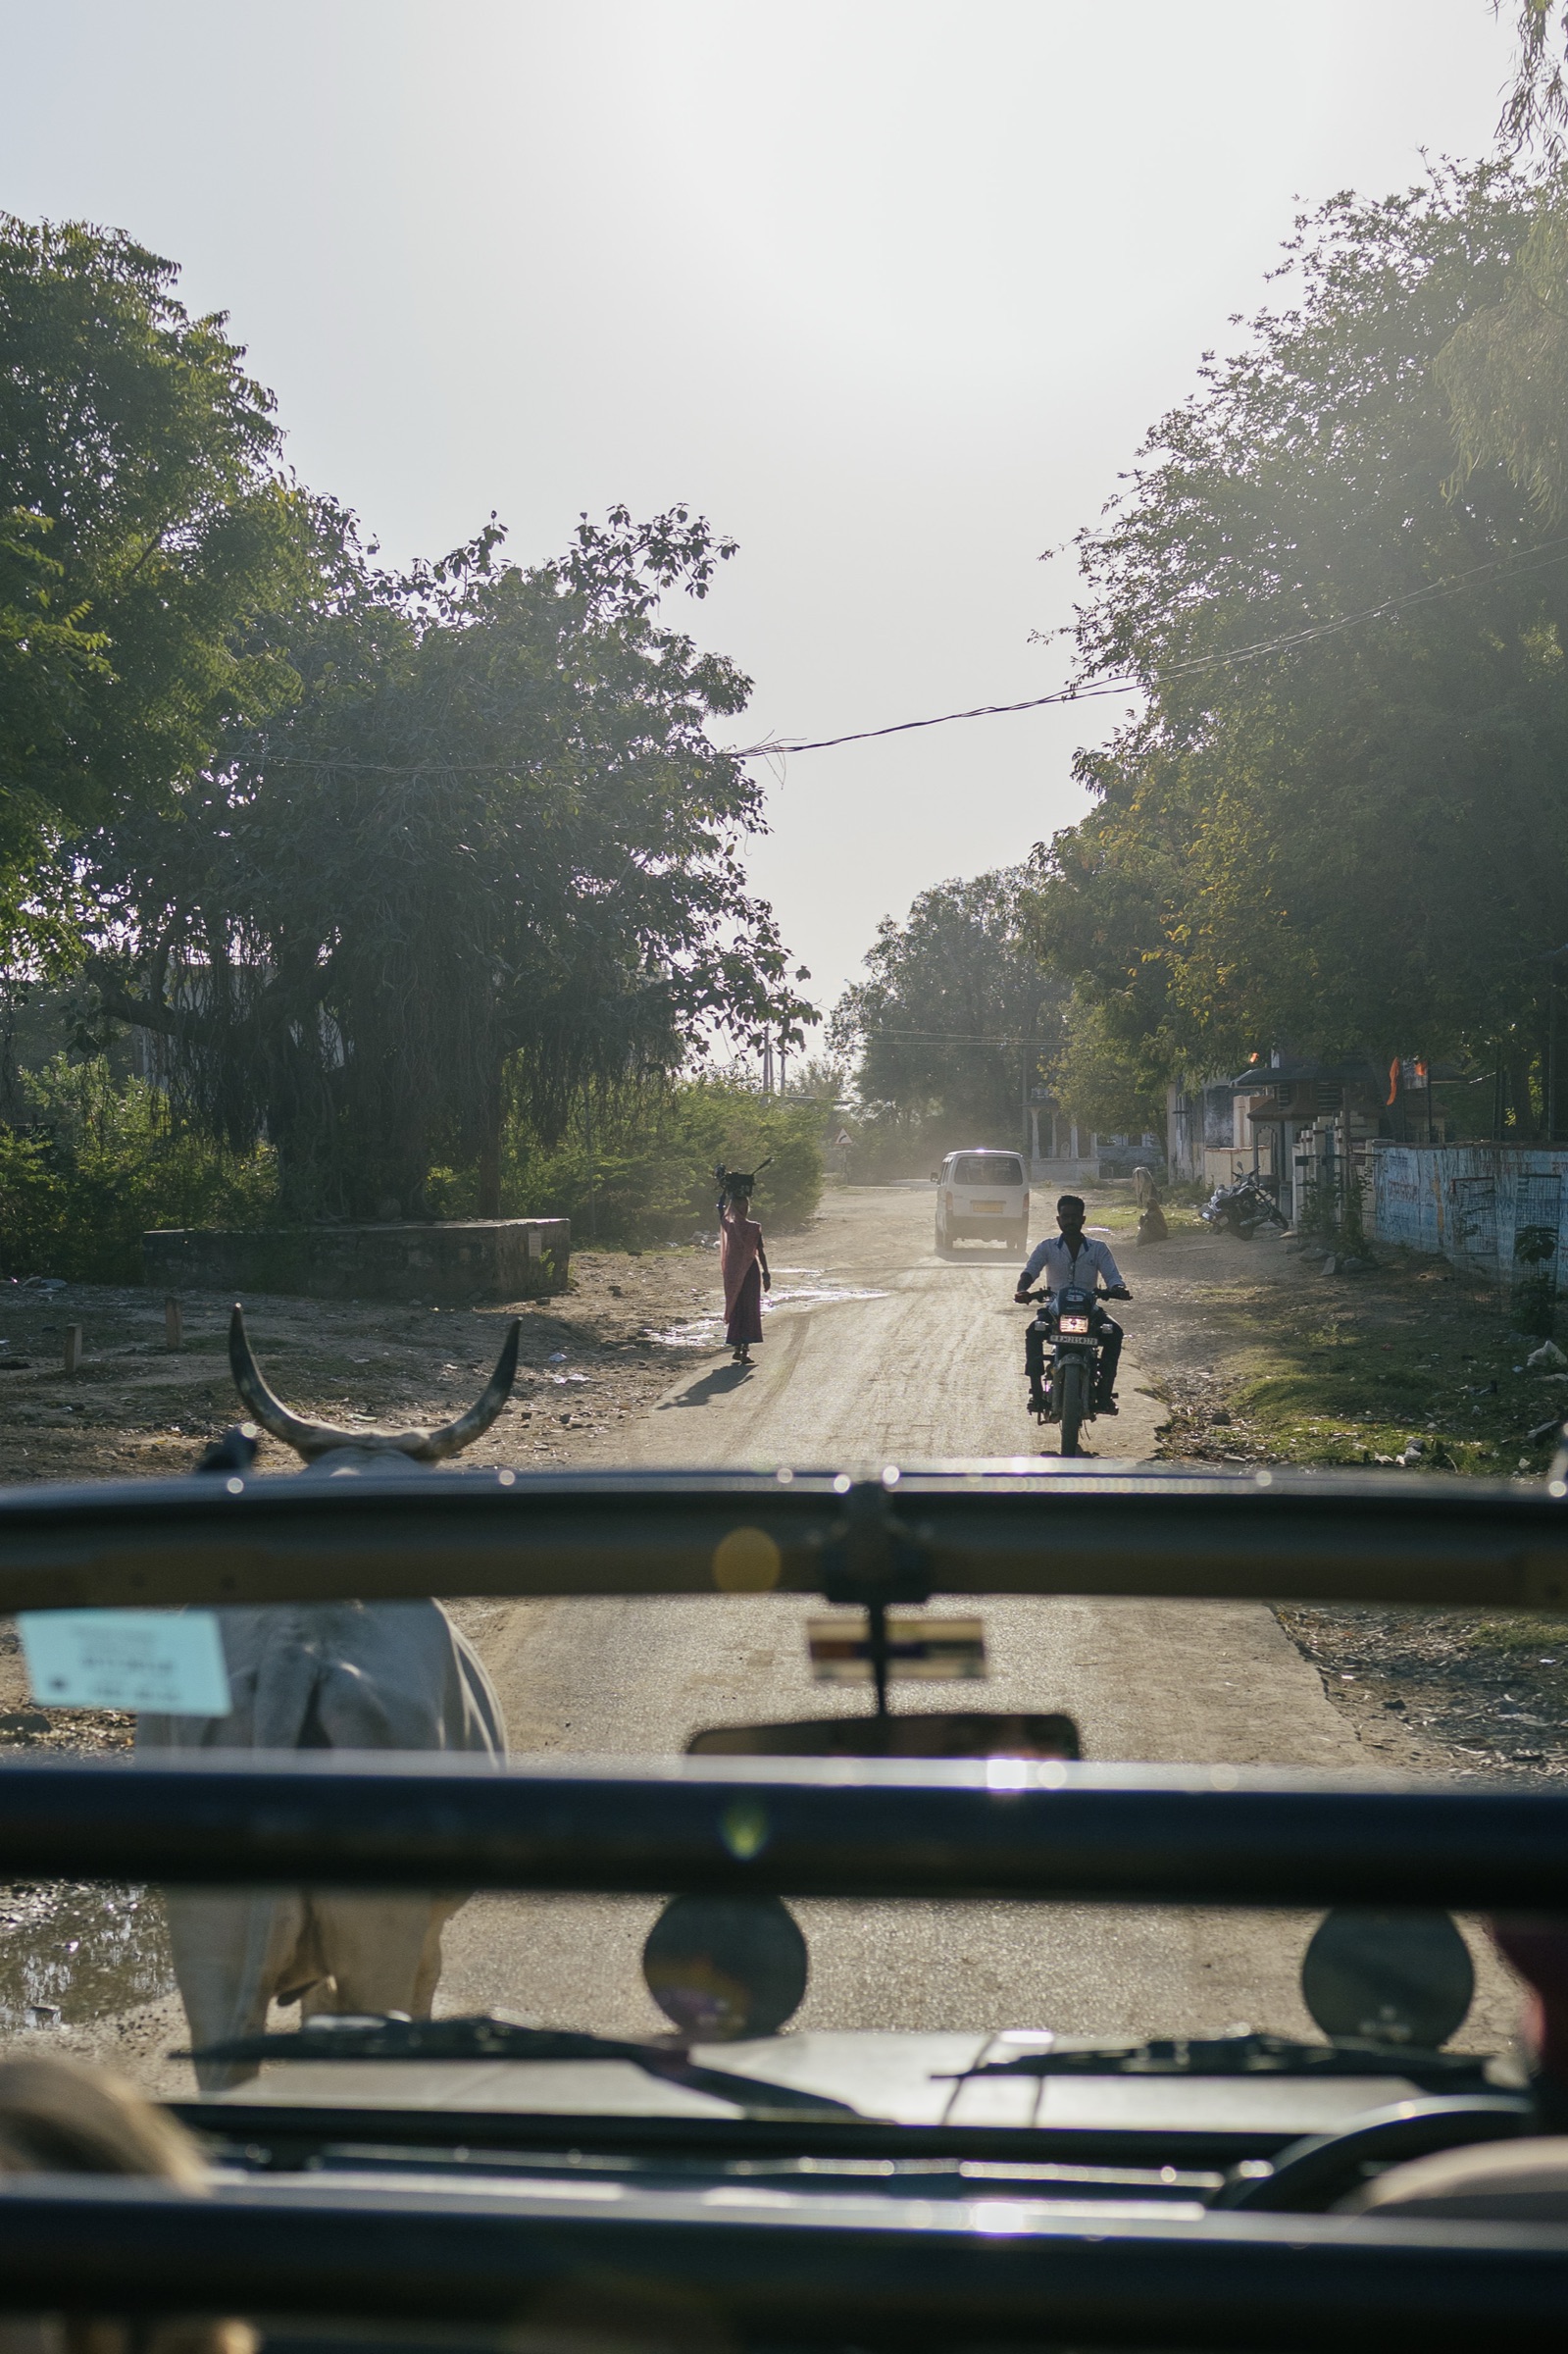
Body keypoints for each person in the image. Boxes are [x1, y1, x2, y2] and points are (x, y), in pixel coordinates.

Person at [1014, 1194, 1130, 1416]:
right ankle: (1036, 1394)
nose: (1070, 1221)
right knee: (1033, 1331)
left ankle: (1105, 1394)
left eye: (1074, 1217)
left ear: (1083, 1219)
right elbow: (1030, 1271)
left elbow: (1112, 1276)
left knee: (1114, 1332)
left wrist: (1118, 1288)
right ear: (1058, 1220)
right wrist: (1022, 1289)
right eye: (1065, 1217)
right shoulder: (1047, 1247)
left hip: (1090, 1309)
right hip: (1054, 1308)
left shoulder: (1098, 1248)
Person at [720, 1186, 770, 1365]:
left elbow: (719, 1209)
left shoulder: (730, 1226)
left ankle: (738, 1348)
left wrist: (725, 1190)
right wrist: (766, 1274)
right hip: (749, 1270)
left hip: (735, 1271)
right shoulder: (753, 1227)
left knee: (738, 1305)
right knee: (748, 1307)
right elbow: (760, 1252)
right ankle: (743, 1350)